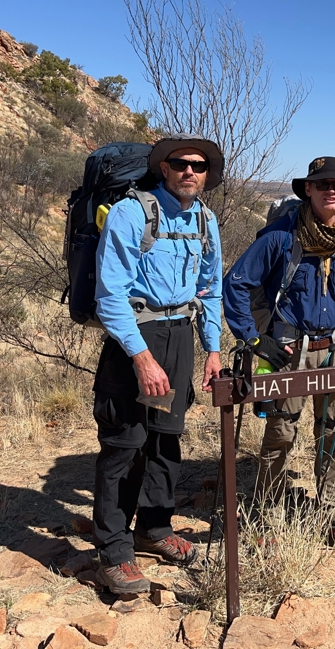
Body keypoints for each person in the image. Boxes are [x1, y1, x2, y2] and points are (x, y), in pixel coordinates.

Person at [224, 157, 335, 546]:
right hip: (290, 349)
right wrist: (254, 339)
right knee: (281, 431)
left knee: (333, 431)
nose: (332, 190)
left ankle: (332, 513)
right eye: (323, 184)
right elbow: (237, 283)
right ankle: (267, 511)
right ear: (307, 190)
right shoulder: (281, 235)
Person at [91, 134, 223, 594]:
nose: (190, 171)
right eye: (180, 163)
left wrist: (212, 350)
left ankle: (155, 527)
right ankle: (113, 550)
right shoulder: (132, 213)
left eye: (199, 165)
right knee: (124, 445)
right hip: (136, 341)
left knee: (166, 443)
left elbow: (210, 290)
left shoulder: (205, 220)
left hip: (179, 339)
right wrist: (141, 358)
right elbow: (109, 297)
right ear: (163, 168)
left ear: (207, 175)